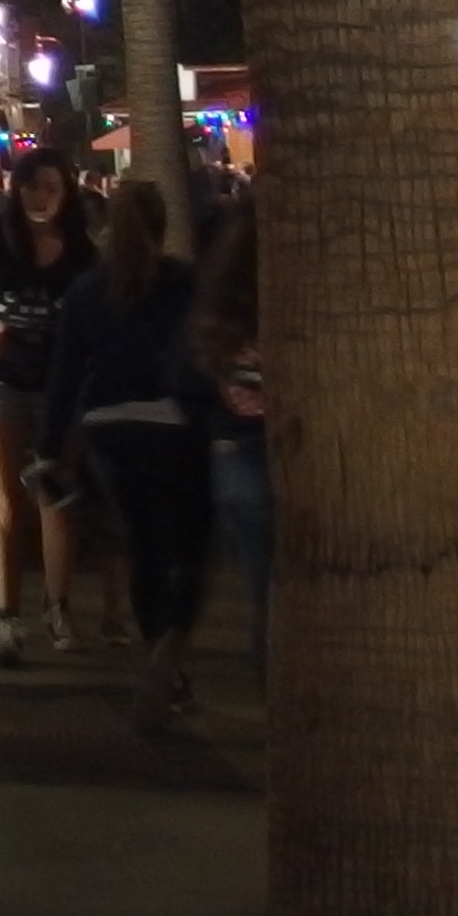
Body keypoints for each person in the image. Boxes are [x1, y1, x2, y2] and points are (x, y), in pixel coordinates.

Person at [40, 180, 208, 732]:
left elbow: (65, 374)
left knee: (144, 545)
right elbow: (208, 354)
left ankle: (158, 648)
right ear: (163, 225)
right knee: (192, 548)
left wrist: (49, 447)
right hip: (178, 424)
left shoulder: (89, 290)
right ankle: (171, 648)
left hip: (112, 428)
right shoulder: (185, 283)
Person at [0, 148, 93, 665]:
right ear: (18, 190)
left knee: (53, 494)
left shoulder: (81, 253)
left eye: (52, 188)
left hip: (57, 387)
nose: (41, 198)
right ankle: (7, 618)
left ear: (66, 194)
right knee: (5, 499)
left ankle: (58, 608)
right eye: (32, 187)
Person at [186, 201, 270, 682]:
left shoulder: (220, 309)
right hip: (260, 451)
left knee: (266, 592)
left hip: (237, 453)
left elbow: (191, 377)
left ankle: (273, 696)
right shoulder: (295, 303)